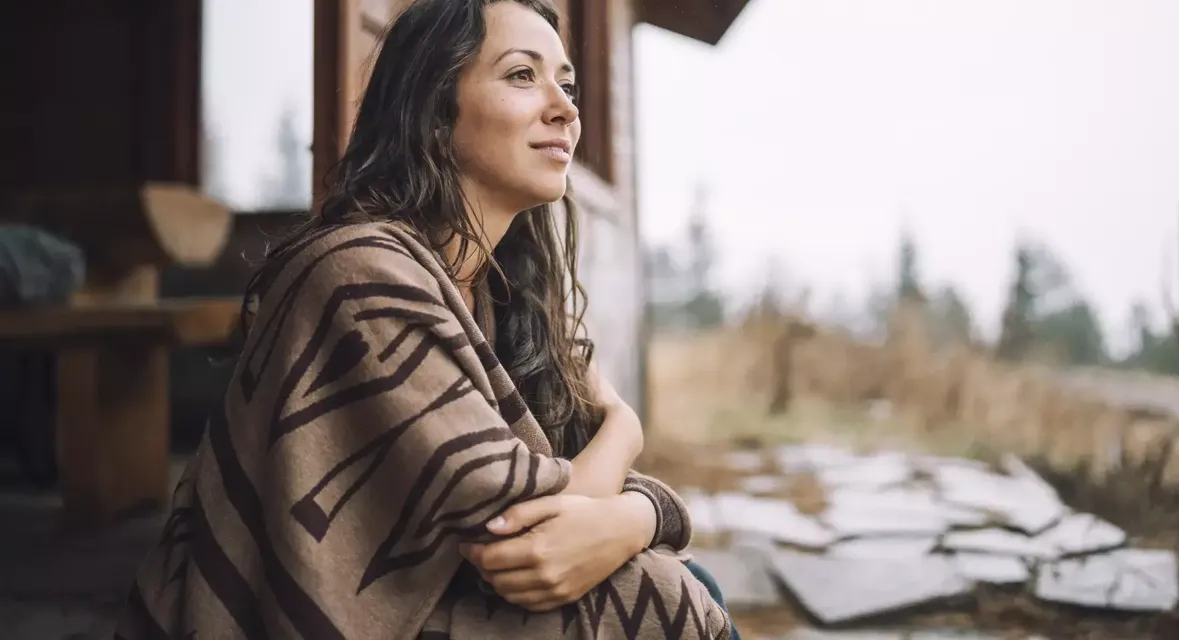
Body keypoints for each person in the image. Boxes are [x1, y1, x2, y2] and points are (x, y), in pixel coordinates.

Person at [115, 1, 740, 639]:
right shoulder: (359, 275)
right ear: (434, 108)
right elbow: (534, 535)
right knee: (662, 594)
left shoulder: (501, 296)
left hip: (439, 592)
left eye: (567, 82)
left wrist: (637, 515)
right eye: (523, 75)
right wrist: (629, 440)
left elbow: (575, 510)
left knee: (685, 583)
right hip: (315, 618)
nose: (565, 107)